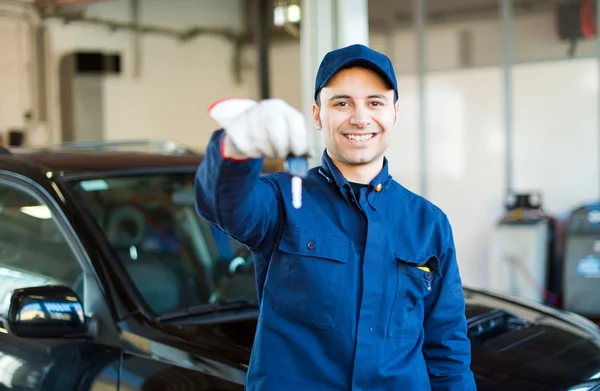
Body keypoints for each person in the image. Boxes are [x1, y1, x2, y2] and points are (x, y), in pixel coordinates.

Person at [195, 44, 477, 391]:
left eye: (375, 102)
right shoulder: (284, 199)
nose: (360, 118)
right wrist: (237, 148)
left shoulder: (428, 223)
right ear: (317, 114)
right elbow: (223, 207)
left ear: (395, 113)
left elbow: (447, 349)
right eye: (342, 102)